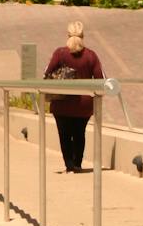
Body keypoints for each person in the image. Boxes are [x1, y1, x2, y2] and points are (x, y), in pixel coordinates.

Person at [42, 20, 104, 173]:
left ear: (67, 35)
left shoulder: (60, 53)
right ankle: (77, 164)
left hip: (61, 102)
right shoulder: (91, 55)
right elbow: (100, 79)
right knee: (79, 133)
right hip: (84, 104)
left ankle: (69, 165)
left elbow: (47, 72)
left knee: (64, 135)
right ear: (83, 36)